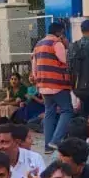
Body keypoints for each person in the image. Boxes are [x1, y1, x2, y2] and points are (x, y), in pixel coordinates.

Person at [32, 22, 73, 150]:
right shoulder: (56, 43)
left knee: (49, 112)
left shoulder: (38, 45)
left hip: (43, 85)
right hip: (58, 84)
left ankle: (48, 146)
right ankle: (55, 140)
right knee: (67, 110)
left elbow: (34, 66)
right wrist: (67, 47)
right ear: (59, 32)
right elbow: (66, 61)